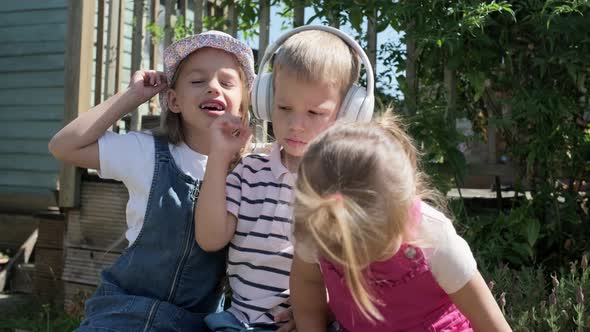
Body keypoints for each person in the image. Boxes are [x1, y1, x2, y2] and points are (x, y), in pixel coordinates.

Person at [49, 30, 254, 331]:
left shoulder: (252, 168)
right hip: (122, 312)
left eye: (226, 82)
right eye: (197, 81)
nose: (212, 88)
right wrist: (131, 96)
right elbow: (63, 146)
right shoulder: (146, 151)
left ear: (243, 104)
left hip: (197, 323)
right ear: (173, 100)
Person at [194, 25, 375, 331]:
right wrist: (218, 158)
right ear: (266, 99)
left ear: (350, 113)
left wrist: (327, 308)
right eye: (284, 107)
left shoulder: (348, 187)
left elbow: (363, 272)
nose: (295, 125)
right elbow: (210, 239)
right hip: (240, 323)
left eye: (314, 113)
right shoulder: (250, 171)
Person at [290, 112, 513, 332]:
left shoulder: (435, 242)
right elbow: (307, 284)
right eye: (340, 255)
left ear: (403, 214)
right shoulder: (318, 226)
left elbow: (490, 323)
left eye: (372, 254)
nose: (356, 267)